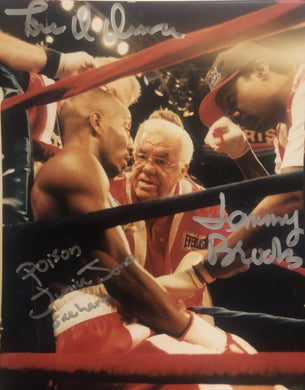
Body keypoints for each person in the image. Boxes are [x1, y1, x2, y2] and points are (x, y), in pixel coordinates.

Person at [30, 87, 264, 389]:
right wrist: (197, 329)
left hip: (134, 314)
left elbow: (266, 225)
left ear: (183, 170)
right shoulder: (82, 168)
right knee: (234, 377)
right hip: (102, 322)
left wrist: (201, 279)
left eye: (162, 161)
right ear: (97, 122)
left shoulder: (200, 202)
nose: (131, 147)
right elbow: (121, 277)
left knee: (249, 373)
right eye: (128, 131)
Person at [158, 42, 304, 313]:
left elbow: (290, 198)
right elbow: (284, 214)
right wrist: (243, 154)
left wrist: (199, 273)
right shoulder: (284, 129)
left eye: (231, 101)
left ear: (261, 69)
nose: (233, 115)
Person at [110, 112, 229, 308]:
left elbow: (241, 255)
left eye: (160, 161)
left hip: (185, 310)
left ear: (183, 170)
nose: (148, 168)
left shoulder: (205, 204)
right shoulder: (107, 192)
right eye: (142, 156)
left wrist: (197, 268)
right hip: (121, 308)